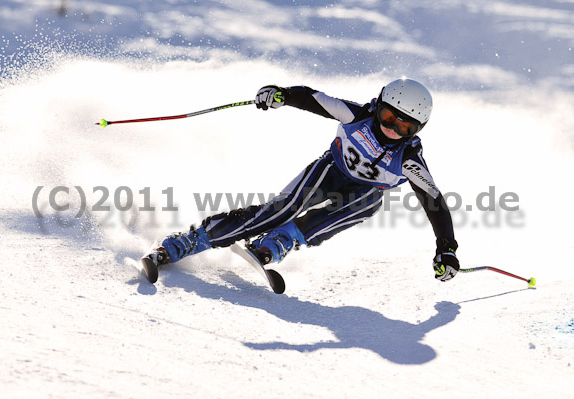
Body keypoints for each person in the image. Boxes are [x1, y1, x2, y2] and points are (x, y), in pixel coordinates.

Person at [141, 78, 460, 284]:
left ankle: (278, 242)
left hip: (361, 195)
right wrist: (280, 95)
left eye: (405, 127)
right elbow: (313, 98)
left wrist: (446, 249)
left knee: (364, 204)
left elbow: (434, 202)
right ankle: (181, 244)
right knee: (280, 210)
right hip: (330, 171)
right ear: (378, 107)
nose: (392, 130)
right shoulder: (357, 115)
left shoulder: (409, 160)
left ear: (417, 130)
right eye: (389, 118)